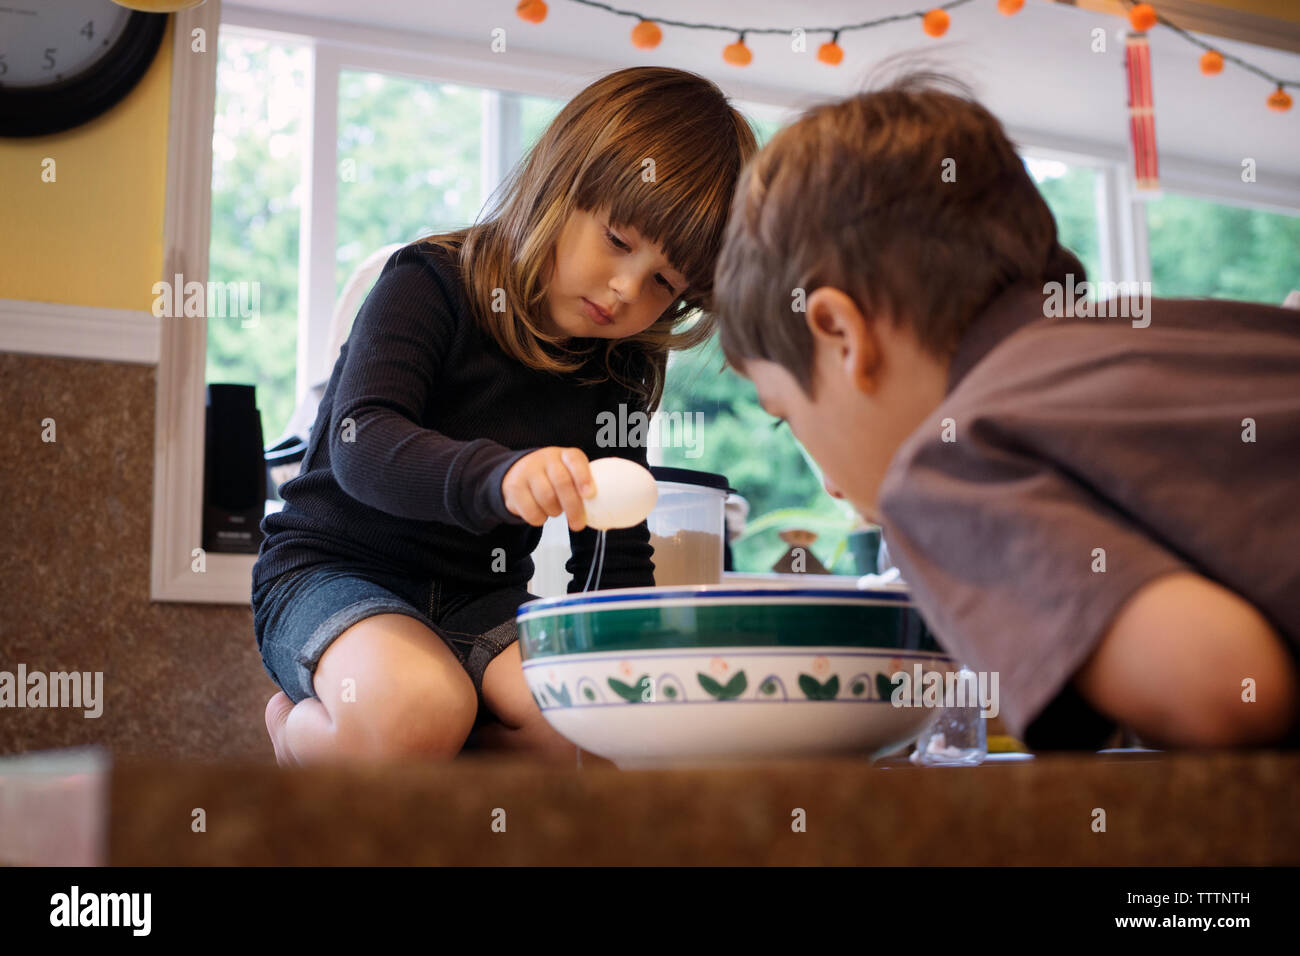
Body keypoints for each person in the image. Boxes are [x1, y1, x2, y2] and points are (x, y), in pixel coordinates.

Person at [711, 71, 1300, 751]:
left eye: (787, 416)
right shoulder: (1193, 337)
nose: (833, 486)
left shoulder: (945, 466)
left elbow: (1225, 692)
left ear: (842, 336)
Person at [252, 67, 759, 767]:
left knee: (574, 727)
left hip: (477, 599)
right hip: (331, 572)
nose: (625, 289)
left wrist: (625, 672)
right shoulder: (431, 282)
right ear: (562, 183)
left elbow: (613, 545)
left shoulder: (619, 366)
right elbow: (361, 443)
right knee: (416, 708)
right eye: (617, 240)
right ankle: (293, 731)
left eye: (664, 284)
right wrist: (499, 476)